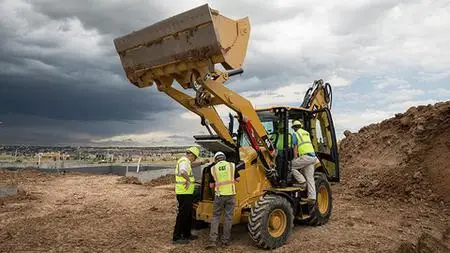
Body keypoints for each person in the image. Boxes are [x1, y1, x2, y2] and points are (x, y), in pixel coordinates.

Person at [172, 146, 208, 244]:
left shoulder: (186, 161)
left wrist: (202, 162)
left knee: (187, 214)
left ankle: (187, 234)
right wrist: (188, 180)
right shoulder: (184, 161)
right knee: (182, 215)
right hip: (184, 193)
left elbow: (191, 164)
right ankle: (177, 237)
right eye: (195, 157)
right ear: (191, 155)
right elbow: (182, 171)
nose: (194, 159)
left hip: (186, 193)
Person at [206, 152, 240, 249]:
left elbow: (211, 185)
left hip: (219, 196)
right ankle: (225, 241)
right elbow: (238, 179)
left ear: (216, 159)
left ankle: (213, 241)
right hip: (231, 195)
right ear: (224, 158)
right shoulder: (232, 166)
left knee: (216, 217)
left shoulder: (213, 168)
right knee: (228, 218)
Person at [291, 120, 319, 214]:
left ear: (294, 128)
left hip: (305, 156)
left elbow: (295, 147)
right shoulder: (306, 133)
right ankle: (312, 197)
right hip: (313, 157)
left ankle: (302, 182)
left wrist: (295, 158)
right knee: (310, 177)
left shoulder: (296, 134)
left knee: (290, 166)